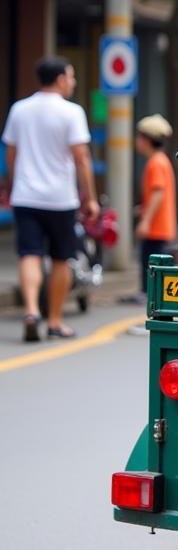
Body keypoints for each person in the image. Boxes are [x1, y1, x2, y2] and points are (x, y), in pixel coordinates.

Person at [2, 56, 99, 342]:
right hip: (60, 199)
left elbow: (11, 153)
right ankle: (55, 321)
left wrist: (11, 183)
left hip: (26, 196)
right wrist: (90, 199)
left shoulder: (19, 109)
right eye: (71, 77)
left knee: (29, 254)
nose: (73, 82)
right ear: (59, 79)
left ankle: (31, 310)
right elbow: (81, 158)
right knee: (60, 258)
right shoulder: (72, 112)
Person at [121, 114, 176, 304]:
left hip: (156, 226)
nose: (137, 141)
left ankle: (148, 295)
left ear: (146, 139)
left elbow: (158, 192)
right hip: (160, 224)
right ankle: (147, 293)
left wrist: (145, 220)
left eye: (139, 137)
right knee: (149, 260)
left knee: (150, 261)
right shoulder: (160, 160)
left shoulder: (156, 162)